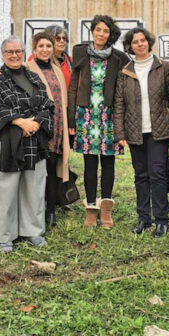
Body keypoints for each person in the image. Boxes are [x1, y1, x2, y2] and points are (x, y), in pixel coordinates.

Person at [0, 36, 54, 252]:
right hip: (7, 141)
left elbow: (47, 105)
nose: (14, 55)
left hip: (34, 138)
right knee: (5, 188)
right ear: (3, 55)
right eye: (9, 52)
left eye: (18, 51)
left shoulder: (34, 77)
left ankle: (32, 231)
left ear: (24, 53)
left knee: (33, 187)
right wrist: (19, 121)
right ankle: (5, 236)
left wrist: (34, 123)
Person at [114, 27, 169, 238]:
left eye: (143, 40)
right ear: (130, 46)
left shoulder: (164, 68)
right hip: (135, 133)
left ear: (148, 43)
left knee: (158, 174)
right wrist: (120, 133)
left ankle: (162, 220)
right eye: (135, 42)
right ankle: (144, 218)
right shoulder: (125, 72)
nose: (139, 44)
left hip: (159, 131)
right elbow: (119, 105)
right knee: (140, 175)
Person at [68, 15, 131, 228]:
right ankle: (91, 209)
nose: (101, 34)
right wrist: (70, 118)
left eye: (105, 31)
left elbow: (125, 89)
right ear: (92, 31)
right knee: (90, 163)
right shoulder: (80, 53)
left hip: (109, 117)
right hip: (85, 116)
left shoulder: (119, 58)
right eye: (98, 30)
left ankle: (106, 210)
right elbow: (73, 87)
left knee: (108, 162)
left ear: (110, 34)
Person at [25, 32, 70, 228]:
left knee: (52, 169)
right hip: (37, 128)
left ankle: (51, 209)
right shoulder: (27, 69)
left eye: (48, 46)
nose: (45, 49)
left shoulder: (57, 69)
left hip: (57, 126)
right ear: (34, 48)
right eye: (41, 46)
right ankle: (36, 209)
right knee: (36, 170)